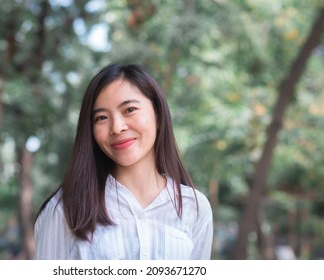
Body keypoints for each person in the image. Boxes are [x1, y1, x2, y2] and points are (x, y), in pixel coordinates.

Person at [34, 63, 213, 260]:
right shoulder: (66, 209)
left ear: (158, 115)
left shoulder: (194, 207)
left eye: (129, 109)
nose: (117, 127)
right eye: (102, 117)